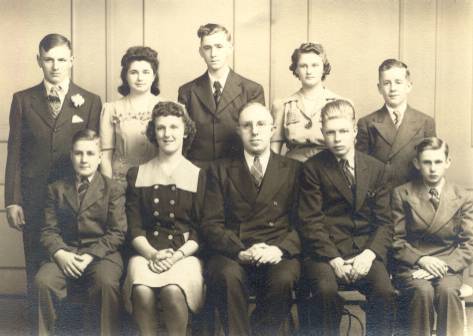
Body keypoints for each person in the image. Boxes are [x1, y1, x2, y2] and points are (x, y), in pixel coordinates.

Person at [4, 33, 102, 334]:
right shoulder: (23, 100)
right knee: (37, 263)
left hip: (74, 199)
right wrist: (12, 200)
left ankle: (72, 326)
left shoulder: (89, 101)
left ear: (71, 60)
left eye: (61, 59)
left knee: (71, 260)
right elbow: (15, 153)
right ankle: (39, 328)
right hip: (33, 198)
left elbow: (92, 153)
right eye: (49, 59)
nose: (55, 66)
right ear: (39, 61)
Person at [298, 99, 396, 336]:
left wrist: (369, 255)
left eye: (343, 131)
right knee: (324, 292)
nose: (337, 138)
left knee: (385, 292)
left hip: (365, 250)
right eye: (330, 133)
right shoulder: (312, 168)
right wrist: (334, 259)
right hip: (325, 253)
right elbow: (311, 221)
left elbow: (385, 222)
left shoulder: (376, 169)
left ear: (354, 131)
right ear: (322, 134)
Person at [202, 102, 301, 336]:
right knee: (226, 277)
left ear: (272, 129)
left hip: (276, 249)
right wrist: (240, 251)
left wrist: (280, 250)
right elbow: (211, 224)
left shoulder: (294, 169)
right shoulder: (219, 169)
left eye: (261, 124)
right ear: (238, 130)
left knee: (284, 279)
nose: (255, 131)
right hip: (233, 251)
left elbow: (303, 223)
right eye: (247, 125)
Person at [123, 101, 205, 336]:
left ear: (185, 131)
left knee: (172, 290)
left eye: (173, 127)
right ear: (153, 132)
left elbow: (202, 228)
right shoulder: (137, 174)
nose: (167, 134)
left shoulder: (198, 175)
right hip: (146, 251)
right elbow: (134, 227)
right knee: (141, 290)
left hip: (184, 254)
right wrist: (152, 254)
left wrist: (176, 256)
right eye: (161, 128)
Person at [34, 129, 126, 336]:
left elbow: (117, 232)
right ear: (71, 155)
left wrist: (90, 256)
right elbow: (49, 230)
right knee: (43, 280)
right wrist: (60, 254)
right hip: (65, 253)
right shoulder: (56, 189)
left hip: (102, 255)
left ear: (100, 156)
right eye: (78, 153)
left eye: (90, 153)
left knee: (106, 282)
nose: (84, 159)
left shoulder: (113, 189)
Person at [392, 137, 473, 336]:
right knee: (422, 292)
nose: (433, 168)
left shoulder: (463, 196)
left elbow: (469, 242)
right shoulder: (402, 194)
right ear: (417, 164)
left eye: (438, 162)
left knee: (447, 291)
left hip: (448, 266)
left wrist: (441, 266)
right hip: (413, 266)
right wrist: (421, 259)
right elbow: (395, 238)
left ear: (448, 162)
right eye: (427, 162)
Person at [178, 23, 265, 167]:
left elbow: (257, 136)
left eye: (219, 46)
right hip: (198, 170)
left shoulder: (252, 90)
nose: (213, 54)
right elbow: (182, 138)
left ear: (230, 49)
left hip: (238, 169)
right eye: (207, 48)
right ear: (200, 52)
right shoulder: (187, 91)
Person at [356, 58, 436, 187]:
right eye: (387, 83)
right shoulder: (367, 123)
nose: (393, 88)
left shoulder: (425, 122)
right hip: (380, 195)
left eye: (398, 82)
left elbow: (433, 163)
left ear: (409, 86)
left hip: (414, 193)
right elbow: (362, 168)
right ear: (379, 88)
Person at [100, 46, 162, 186]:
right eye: (134, 72)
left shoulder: (166, 107)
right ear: (125, 76)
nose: (140, 78)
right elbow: (105, 156)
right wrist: (110, 190)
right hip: (121, 183)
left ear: (153, 76)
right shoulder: (111, 109)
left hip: (156, 182)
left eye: (146, 72)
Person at [271, 42, 343, 162]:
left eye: (315, 65)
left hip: (328, 170)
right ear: (296, 69)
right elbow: (274, 152)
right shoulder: (283, 105)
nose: (309, 71)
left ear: (324, 68)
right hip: (293, 171)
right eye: (303, 66)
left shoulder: (339, 103)